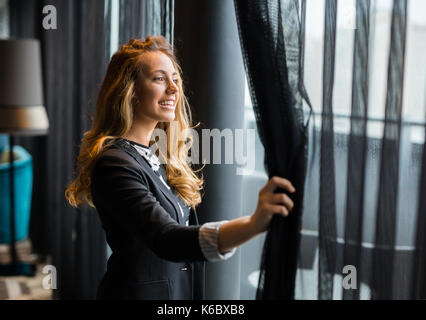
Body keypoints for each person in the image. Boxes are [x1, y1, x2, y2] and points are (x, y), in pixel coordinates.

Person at [65, 35, 295, 300]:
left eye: (175, 78)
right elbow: (167, 239)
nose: (174, 89)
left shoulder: (155, 155)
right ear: (129, 90)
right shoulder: (114, 163)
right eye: (160, 78)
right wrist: (253, 224)